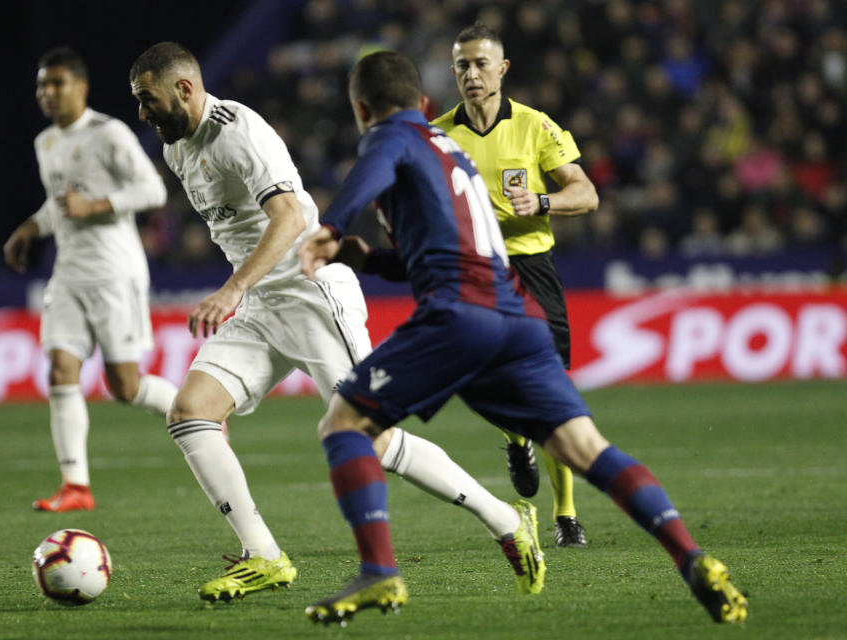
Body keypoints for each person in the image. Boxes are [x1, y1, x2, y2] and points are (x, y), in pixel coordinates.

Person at [298, 50, 747, 626]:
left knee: (344, 422)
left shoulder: (392, 136)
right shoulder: (452, 150)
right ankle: (692, 557)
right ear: (427, 102)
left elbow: (373, 166)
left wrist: (331, 228)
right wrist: (375, 261)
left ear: (362, 108)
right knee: (589, 450)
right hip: (518, 316)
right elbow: (446, 249)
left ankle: (380, 572)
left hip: (459, 315)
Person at [128, 41, 547, 604]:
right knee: (190, 413)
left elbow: (292, 215)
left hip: (310, 293)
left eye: (147, 99)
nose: (142, 113)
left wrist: (232, 288)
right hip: (260, 308)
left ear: (184, 88)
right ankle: (264, 556)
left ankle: (507, 522)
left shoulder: (238, 131)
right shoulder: (179, 147)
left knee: (373, 438)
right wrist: (244, 291)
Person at [430, 24, 599, 548]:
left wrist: (543, 202)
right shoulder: (435, 135)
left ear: (502, 69)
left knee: (551, 391)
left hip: (530, 266)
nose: (471, 74)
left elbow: (586, 194)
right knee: (484, 377)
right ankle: (513, 436)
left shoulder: (535, 127)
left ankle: (566, 515)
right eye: (463, 65)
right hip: (473, 271)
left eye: (481, 64)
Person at [3, 46, 177, 513]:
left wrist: (95, 205)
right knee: (60, 371)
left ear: (80, 87)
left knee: (124, 386)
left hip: (114, 273)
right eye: (42, 84)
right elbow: (58, 205)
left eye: (57, 83)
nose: (48, 93)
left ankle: (194, 409)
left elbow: (153, 189)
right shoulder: (46, 143)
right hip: (68, 275)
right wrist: (30, 227)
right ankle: (75, 486)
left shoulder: (109, 134)